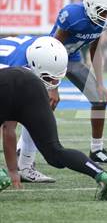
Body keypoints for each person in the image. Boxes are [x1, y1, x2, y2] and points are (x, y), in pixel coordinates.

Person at [0, 67, 107, 200]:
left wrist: (12, 172)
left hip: (9, 82)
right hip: (32, 82)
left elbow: (8, 129)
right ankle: (102, 175)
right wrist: (13, 172)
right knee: (55, 152)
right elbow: (8, 129)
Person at [48, 0, 107, 163]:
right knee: (43, 104)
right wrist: (53, 85)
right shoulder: (73, 15)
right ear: (90, 6)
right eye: (103, 10)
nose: (106, 15)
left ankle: (97, 149)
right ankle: (23, 153)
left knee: (100, 99)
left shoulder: (101, 21)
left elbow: (95, 50)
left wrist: (100, 84)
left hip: (72, 59)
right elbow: (54, 47)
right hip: (49, 60)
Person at [0, 36, 67, 183]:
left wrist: (54, 88)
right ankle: (20, 167)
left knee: (37, 112)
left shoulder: (43, 47)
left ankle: (25, 165)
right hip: (7, 74)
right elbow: (8, 129)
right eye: (49, 78)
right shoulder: (17, 70)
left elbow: (50, 66)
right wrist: (12, 171)